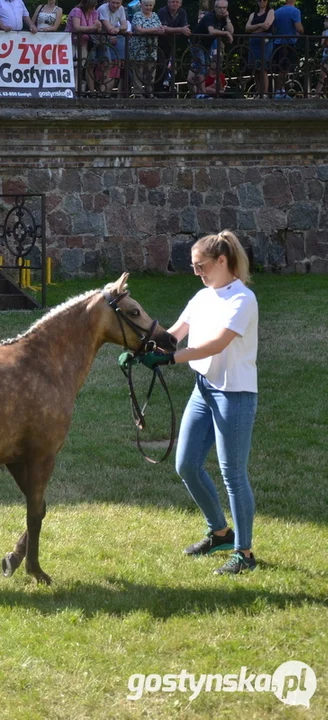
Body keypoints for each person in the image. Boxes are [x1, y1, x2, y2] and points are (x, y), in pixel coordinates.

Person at [134, 231, 259, 575]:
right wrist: (143, 351)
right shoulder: (202, 296)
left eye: (201, 266)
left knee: (233, 474)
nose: (197, 272)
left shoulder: (243, 299)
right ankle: (219, 532)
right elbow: (174, 335)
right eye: (193, 267)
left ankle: (244, 553)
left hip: (235, 393)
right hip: (204, 389)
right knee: (186, 464)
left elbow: (215, 345)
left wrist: (170, 361)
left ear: (223, 261)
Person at [188, 0, 232, 99]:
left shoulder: (223, 18)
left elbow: (231, 30)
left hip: (207, 45)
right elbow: (211, 31)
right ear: (215, 8)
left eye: (224, 8)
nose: (222, 10)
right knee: (201, 65)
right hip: (197, 43)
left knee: (204, 67)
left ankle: (195, 89)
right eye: (220, 8)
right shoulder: (210, 16)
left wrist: (227, 18)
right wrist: (225, 33)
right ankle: (203, 94)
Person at [153, 0, 189, 95]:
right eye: (173, 1)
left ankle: (168, 89)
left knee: (172, 66)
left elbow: (185, 27)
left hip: (174, 43)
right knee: (160, 66)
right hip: (160, 43)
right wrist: (180, 30)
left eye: (177, 2)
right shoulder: (162, 11)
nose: (175, 4)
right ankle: (156, 90)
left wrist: (173, 30)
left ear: (180, 4)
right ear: (168, 3)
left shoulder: (182, 12)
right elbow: (163, 28)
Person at [128, 0, 162, 96]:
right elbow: (139, 30)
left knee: (151, 72)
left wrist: (148, 30)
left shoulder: (155, 15)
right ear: (141, 5)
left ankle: (149, 93)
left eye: (150, 5)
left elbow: (161, 29)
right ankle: (138, 94)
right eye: (146, 5)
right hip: (139, 48)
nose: (148, 7)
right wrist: (154, 29)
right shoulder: (137, 15)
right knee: (138, 72)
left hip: (152, 49)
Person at [271, 0, 303, 99]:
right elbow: (299, 28)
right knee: (285, 69)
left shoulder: (277, 11)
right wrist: (301, 31)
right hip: (289, 43)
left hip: (277, 42)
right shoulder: (295, 11)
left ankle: (281, 91)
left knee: (280, 68)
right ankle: (278, 92)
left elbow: (273, 28)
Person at [68, 0, 102, 92]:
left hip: (84, 42)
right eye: (92, 6)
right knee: (71, 65)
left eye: (95, 6)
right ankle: (70, 87)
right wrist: (93, 27)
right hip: (72, 42)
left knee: (80, 65)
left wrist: (98, 26)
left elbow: (96, 28)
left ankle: (77, 88)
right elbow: (77, 27)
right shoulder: (76, 11)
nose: (93, 9)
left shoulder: (94, 12)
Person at [244, 0, 273, 97]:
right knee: (255, 68)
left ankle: (264, 93)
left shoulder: (270, 12)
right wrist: (260, 25)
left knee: (263, 67)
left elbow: (267, 25)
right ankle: (258, 91)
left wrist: (254, 30)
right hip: (254, 42)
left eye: (264, 0)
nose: (262, 1)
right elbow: (247, 27)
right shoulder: (253, 14)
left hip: (265, 41)